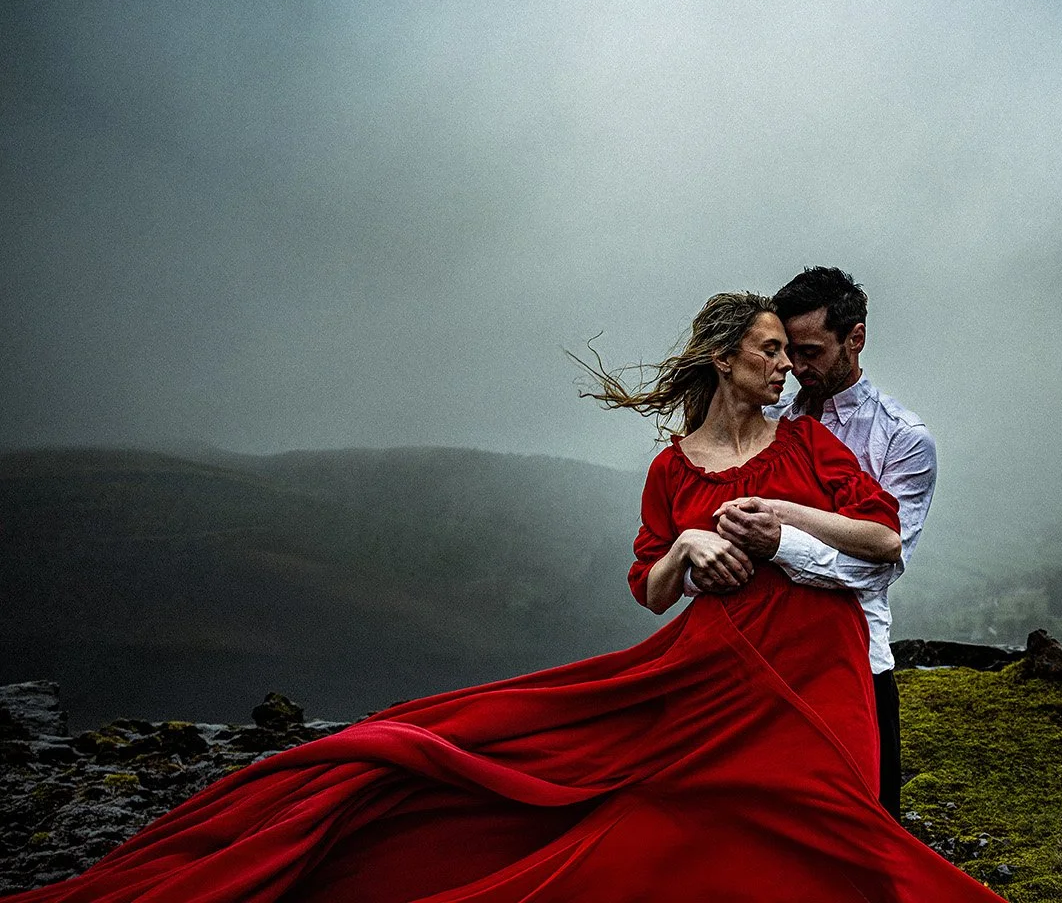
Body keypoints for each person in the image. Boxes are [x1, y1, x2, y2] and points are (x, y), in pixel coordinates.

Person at [3, 293, 1001, 903]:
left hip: (814, 664)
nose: (788, 368)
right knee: (649, 827)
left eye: (791, 352)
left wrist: (782, 523)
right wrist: (693, 543)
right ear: (723, 357)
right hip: (709, 671)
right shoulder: (669, 469)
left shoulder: (808, 446)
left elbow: (880, 538)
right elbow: (650, 590)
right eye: (771, 351)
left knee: (830, 823)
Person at [691, 268, 937, 821]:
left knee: (867, 836)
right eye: (785, 352)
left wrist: (779, 542)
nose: (795, 368)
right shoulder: (769, 420)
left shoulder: (903, 439)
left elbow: (877, 569)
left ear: (856, 338)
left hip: (855, 667)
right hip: (759, 667)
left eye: (810, 351)